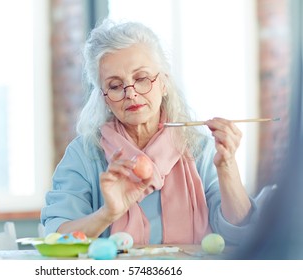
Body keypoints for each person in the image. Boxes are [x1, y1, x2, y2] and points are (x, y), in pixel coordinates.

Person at [41, 20, 257, 245]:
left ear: (164, 83)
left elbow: (241, 233)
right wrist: (108, 213)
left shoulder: (200, 148)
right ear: (104, 98)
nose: (131, 94)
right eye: (115, 86)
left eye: (141, 78)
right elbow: (56, 239)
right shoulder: (84, 154)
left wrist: (227, 166)